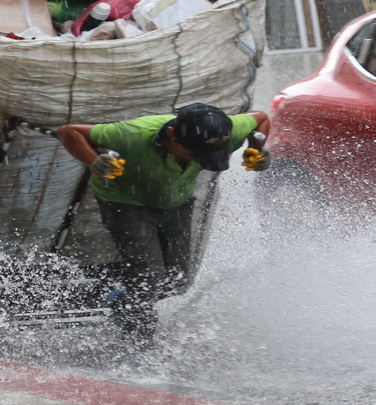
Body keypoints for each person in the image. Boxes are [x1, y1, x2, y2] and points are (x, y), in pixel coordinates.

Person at [57, 103, 270, 347]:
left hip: (177, 201)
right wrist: (94, 161)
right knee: (148, 278)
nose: (196, 160)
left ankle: (123, 299)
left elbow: (261, 119)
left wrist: (257, 149)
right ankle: (137, 340)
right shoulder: (133, 134)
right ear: (171, 134)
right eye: (194, 154)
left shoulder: (228, 131)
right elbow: (68, 131)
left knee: (178, 279)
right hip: (128, 203)